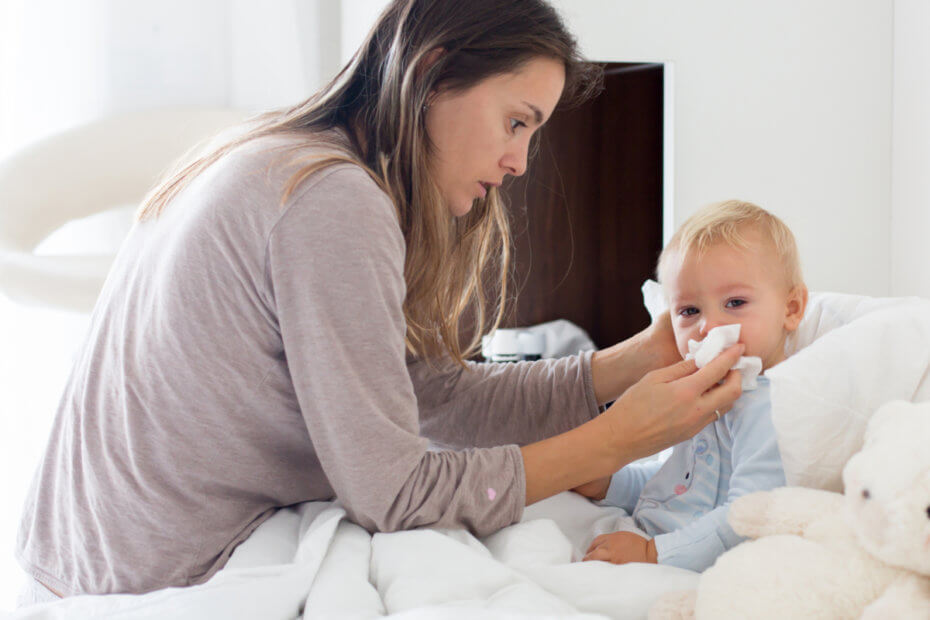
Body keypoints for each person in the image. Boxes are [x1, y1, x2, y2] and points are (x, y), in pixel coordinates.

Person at [15, 0, 745, 604]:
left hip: (84, 557)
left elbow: (436, 397)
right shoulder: (331, 200)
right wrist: (615, 442)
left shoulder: (284, 155)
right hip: (153, 577)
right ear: (433, 74)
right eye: (516, 122)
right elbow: (393, 493)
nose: (521, 161)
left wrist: (634, 362)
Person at [577, 200, 808, 572]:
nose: (708, 326)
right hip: (646, 536)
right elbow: (675, 486)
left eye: (735, 302)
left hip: (694, 565)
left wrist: (654, 554)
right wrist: (611, 484)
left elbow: (747, 519)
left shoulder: (771, 406)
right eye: (689, 311)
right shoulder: (699, 392)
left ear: (792, 309)